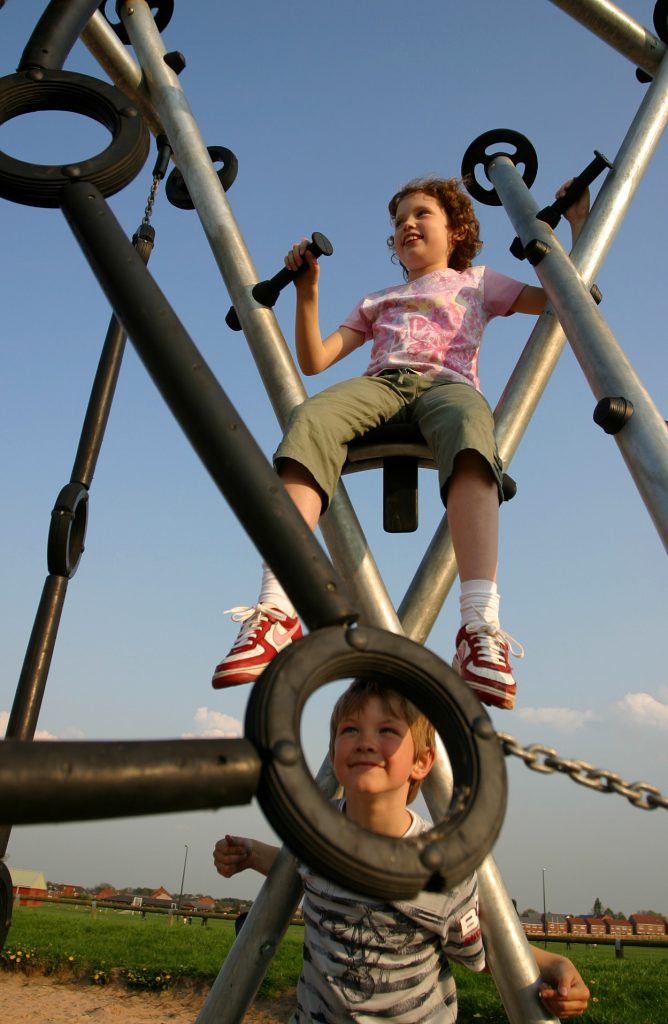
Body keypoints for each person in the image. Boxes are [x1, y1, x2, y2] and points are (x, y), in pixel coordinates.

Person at [212, 177, 589, 709]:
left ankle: (479, 627)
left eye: (421, 214)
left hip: (448, 386)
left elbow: (561, 297)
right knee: (309, 421)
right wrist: (308, 292)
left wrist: (574, 227)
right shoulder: (379, 300)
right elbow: (315, 360)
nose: (406, 225)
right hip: (381, 386)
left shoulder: (478, 282)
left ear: (456, 230)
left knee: (473, 434)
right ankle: (276, 610)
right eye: (398, 221)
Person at [213, 680, 591, 1022]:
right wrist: (249, 854)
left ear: (422, 762)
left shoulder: (440, 865)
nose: (365, 741)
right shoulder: (314, 828)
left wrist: (555, 962)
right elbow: (295, 867)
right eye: (350, 730)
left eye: (387, 730)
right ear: (333, 752)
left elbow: (483, 949)